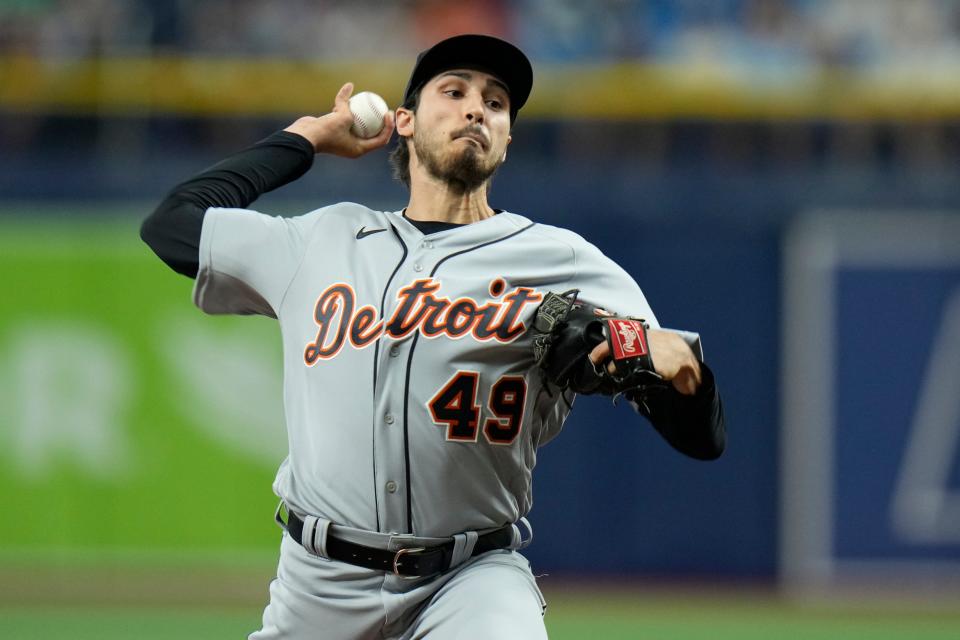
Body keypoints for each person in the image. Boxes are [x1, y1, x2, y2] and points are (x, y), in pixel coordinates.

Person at [141, 33, 725, 640]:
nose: (477, 108)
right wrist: (308, 138)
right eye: (454, 91)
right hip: (317, 586)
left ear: (505, 140)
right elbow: (173, 224)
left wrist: (683, 374)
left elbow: (700, 435)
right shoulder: (321, 241)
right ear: (404, 121)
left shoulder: (565, 260)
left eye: (496, 103)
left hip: (471, 580)